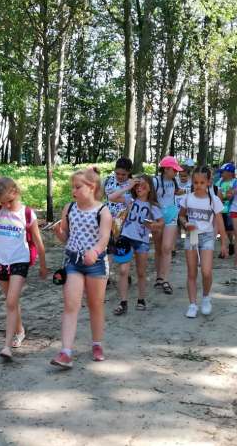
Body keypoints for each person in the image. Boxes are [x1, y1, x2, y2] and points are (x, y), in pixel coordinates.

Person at [0, 176, 49, 360]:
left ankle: (7, 346)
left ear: (15, 193)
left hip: (19, 261)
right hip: (1, 261)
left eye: (8, 201)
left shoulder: (27, 214)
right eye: (2, 202)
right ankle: (20, 331)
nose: (6, 205)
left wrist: (43, 266)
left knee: (11, 301)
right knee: (11, 302)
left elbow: (38, 242)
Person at [52, 168, 113, 367]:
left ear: (91, 187)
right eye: (73, 187)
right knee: (71, 305)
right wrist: (58, 233)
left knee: (95, 305)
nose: (74, 191)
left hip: (96, 264)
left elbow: (104, 238)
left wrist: (95, 251)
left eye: (78, 187)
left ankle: (97, 343)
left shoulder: (103, 211)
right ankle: (66, 352)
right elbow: (66, 238)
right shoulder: (69, 208)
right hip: (73, 263)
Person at [177, 166, 229, 317]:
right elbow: (181, 216)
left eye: (201, 182)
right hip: (192, 235)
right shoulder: (188, 198)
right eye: (195, 182)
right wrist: (185, 224)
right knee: (192, 272)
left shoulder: (214, 200)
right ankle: (192, 304)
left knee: (206, 271)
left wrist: (224, 244)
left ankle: (206, 297)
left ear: (208, 182)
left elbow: (220, 223)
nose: (198, 185)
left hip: (207, 236)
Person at [111, 175, 162, 315]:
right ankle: (123, 302)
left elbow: (161, 223)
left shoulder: (153, 206)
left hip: (142, 241)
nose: (139, 187)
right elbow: (112, 197)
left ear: (150, 188)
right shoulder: (130, 199)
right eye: (137, 185)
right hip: (125, 238)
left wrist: (153, 225)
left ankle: (141, 299)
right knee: (123, 271)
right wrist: (127, 186)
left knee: (141, 272)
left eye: (143, 185)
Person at [152, 156, 182, 295]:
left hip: (171, 215)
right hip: (157, 216)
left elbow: (176, 193)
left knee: (167, 247)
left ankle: (165, 279)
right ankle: (158, 277)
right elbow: (150, 198)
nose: (176, 173)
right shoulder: (155, 181)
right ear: (166, 169)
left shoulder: (175, 181)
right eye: (174, 170)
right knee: (158, 248)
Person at [215, 163, 237, 258]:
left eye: (222, 172)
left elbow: (231, 195)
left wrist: (226, 196)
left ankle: (231, 243)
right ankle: (224, 249)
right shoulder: (219, 182)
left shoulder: (235, 182)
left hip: (230, 210)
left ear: (230, 173)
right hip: (220, 210)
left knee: (229, 230)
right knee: (221, 230)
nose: (221, 174)